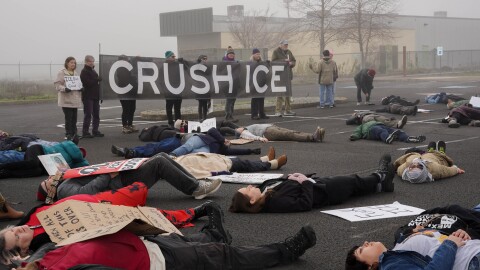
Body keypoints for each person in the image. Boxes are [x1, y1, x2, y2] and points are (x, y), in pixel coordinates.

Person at [0, 186, 229, 267]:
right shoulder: (49, 245)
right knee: (166, 240)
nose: (18, 231)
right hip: (121, 227)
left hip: (103, 200)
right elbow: (42, 255)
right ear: (23, 252)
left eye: (12, 230)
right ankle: (210, 231)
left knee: (144, 182)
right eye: (17, 238)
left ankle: (208, 230)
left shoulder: (31, 218)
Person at [6, 219, 316, 270]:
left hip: (145, 245)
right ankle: (286, 250)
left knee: (206, 244)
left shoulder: (42, 257)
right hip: (159, 262)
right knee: (226, 256)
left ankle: (213, 234)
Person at [229, 154, 395, 213]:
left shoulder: (263, 190)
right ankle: (380, 175)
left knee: (355, 190)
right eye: (248, 190)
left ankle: (382, 186)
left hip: (316, 184)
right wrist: (305, 183)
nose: (251, 186)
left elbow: (281, 183)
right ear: (252, 201)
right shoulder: (273, 203)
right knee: (353, 181)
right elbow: (304, 204)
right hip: (323, 192)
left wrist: (290, 177)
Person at [37, 152, 222, 201]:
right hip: (119, 184)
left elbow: (89, 171)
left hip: (118, 176)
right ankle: (195, 188)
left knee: (161, 156)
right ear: (49, 192)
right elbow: (87, 192)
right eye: (46, 183)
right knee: (159, 163)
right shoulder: (63, 190)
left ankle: (195, 183)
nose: (48, 179)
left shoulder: (68, 177)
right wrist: (108, 176)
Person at [345, 228, 476, 269]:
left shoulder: (394, 255)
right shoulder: (389, 265)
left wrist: (455, 237)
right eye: (361, 250)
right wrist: (450, 245)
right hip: (472, 260)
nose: (366, 242)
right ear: (369, 267)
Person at [169, 149, 287, 179]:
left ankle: (265, 160)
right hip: (220, 166)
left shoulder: (176, 160)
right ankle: (272, 164)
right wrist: (220, 173)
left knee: (244, 162)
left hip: (218, 160)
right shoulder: (178, 167)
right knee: (246, 165)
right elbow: (199, 173)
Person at [0, 141, 87, 179]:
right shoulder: (69, 145)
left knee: (37, 171)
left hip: (43, 162)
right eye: (80, 151)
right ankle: (2, 166)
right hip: (38, 149)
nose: (79, 152)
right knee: (33, 163)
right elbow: (84, 164)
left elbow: (83, 168)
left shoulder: (74, 163)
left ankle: (6, 173)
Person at [394, 140, 465, 183]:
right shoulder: (434, 170)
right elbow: (447, 171)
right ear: (424, 171)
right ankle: (440, 153)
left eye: (412, 166)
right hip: (432, 159)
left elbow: (397, 164)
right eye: (419, 166)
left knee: (409, 152)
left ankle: (428, 151)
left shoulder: (403, 169)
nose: (416, 164)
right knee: (438, 157)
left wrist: (392, 167)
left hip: (415, 155)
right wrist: (456, 169)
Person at [169, 126, 261, 157]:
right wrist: (223, 139)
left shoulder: (224, 150)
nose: (228, 142)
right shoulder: (219, 137)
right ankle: (172, 155)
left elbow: (236, 151)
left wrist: (251, 151)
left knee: (194, 154)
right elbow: (211, 130)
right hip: (202, 139)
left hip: (208, 150)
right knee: (188, 146)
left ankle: (175, 162)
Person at [54, 56, 82, 141]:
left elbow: (78, 84)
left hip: (74, 99)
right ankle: (68, 134)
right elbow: (57, 85)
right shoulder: (62, 73)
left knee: (74, 118)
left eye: (74, 63)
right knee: (68, 118)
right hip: (66, 100)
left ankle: (74, 133)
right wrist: (64, 89)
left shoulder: (75, 73)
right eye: (71, 62)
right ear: (67, 63)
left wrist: (81, 87)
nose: (73, 64)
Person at [79, 55, 104, 138]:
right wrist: (96, 79)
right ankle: (85, 132)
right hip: (87, 96)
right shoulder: (84, 71)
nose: (91, 63)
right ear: (86, 62)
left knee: (96, 114)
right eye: (90, 61)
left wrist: (101, 95)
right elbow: (87, 83)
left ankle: (95, 130)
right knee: (88, 114)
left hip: (95, 96)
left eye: (93, 61)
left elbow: (97, 85)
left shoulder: (93, 71)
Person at [272, 40, 296, 116]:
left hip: (288, 75)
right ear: (280, 45)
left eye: (287, 45)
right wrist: (283, 61)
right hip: (280, 76)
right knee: (279, 93)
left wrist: (291, 63)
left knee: (288, 94)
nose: (286, 46)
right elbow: (273, 61)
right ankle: (278, 111)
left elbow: (294, 60)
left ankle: (288, 110)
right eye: (285, 45)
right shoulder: (276, 52)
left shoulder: (289, 52)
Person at [116, 55, 139, 134]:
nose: (127, 61)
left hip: (132, 92)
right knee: (126, 109)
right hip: (123, 92)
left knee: (132, 108)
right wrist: (132, 78)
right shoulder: (119, 69)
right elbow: (124, 78)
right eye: (125, 60)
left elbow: (134, 74)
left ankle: (130, 124)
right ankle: (124, 126)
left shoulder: (130, 67)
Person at [350, 121, 426, 144]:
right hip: (371, 130)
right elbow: (357, 132)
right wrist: (354, 136)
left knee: (396, 131)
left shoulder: (375, 121)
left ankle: (407, 138)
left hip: (381, 125)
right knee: (382, 131)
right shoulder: (362, 126)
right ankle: (387, 139)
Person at [236, 124, 325, 143]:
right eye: (237, 129)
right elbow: (251, 136)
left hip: (271, 127)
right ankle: (313, 137)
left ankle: (314, 135)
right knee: (289, 135)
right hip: (267, 132)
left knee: (291, 132)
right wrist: (260, 138)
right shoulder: (244, 132)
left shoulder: (245, 127)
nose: (238, 128)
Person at [164, 51, 182, 126]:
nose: (175, 58)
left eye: (175, 56)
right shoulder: (164, 66)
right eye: (173, 57)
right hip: (168, 90)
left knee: (177, 107)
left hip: (178, 89)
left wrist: (183, 62)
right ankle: (170, 122)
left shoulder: (178, 65)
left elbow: (187, 69)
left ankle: (178, 122)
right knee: (169, 107)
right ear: (168, 57)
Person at [250, 48, 269, 120]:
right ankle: (254, 114)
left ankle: (261, 113)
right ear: (253, 55)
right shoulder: (250, 62)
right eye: (257, 54)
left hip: (261, 83)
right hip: (254, 83)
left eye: (259, 54)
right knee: (254, 99)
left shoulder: (262, 62)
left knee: (261, 99)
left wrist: (267, 63)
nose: (258, 55)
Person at [223, 47, 238, 122]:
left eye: (233, 54)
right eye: (230, 54)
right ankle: (227, 115)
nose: (232, 55)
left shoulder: (236, 62)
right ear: (227, 54)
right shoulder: (224, 62)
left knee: (233, 100)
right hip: (227, 84)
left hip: (234, 83)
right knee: (229, 100)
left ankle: (231, 115)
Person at [196, 54, 211, 121]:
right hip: (199, 87)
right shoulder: (196, 67)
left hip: (206, 87)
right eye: (203, 59)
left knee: (205, 104)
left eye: (206, 59)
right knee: (200, 103)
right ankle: (200, 117)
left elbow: (210, 75)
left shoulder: (207, 67)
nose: (205, 60)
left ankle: (204, 117)